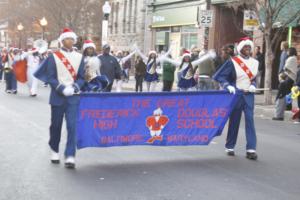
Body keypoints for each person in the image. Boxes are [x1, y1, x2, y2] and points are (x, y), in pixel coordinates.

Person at [34, 28, 85, 169]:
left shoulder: (80, 57)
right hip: (58, 96)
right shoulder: (53, 56)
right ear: (62, 40)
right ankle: (54, 150)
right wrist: (62, 88)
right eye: (67, 39)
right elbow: (50, 77)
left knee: (72, 127)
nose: (70, 41)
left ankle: (70, 155)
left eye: (72, 39)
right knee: (56, 126)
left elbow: (82, 78)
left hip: (73, 97)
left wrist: (74, 87)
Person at [213, 37, 259, 160]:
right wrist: (228, 86)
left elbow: (253, 78)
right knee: (234, 120)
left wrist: (254, 85)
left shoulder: (255, 63)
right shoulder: (233, 61)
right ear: (240, 49)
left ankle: (251, 149)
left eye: (249, 47)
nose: (248, 49)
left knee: (250, 120)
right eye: (245, 47)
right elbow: (219, 76)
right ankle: (230, 146)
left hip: (249, 95)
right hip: (236, 94)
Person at [273, 47, 298, 121]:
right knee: (287, 92)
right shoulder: (293, 58)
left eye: (288, 51)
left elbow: (286, 68)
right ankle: (288, 105)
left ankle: (288, 105)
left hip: (289, 77)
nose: (287, 52)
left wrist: (281, 75)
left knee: (286, 92)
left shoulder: (291, 59)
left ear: (291, 51)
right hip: (290, 77)